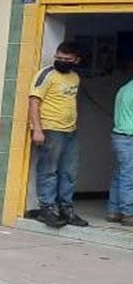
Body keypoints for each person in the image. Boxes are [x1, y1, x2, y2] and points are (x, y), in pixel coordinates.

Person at [29, 41, 85, 228]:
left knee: (69, 171)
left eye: (67, 59)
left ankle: (66, 209)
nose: (61, 61)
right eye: (59, 58)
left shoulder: (75, 77)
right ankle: (47, 208)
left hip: (70, 130)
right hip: (50, 129)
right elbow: (34, 101)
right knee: (48, 170)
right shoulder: (46, 74)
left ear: (76, 60)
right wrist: (37, 129)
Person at [109, 75, 133, 227]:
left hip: (118, 136)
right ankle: (128, 213)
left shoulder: (125, 88)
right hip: (129, 137)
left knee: (120, 175)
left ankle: (114, 211)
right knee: (129, 177)